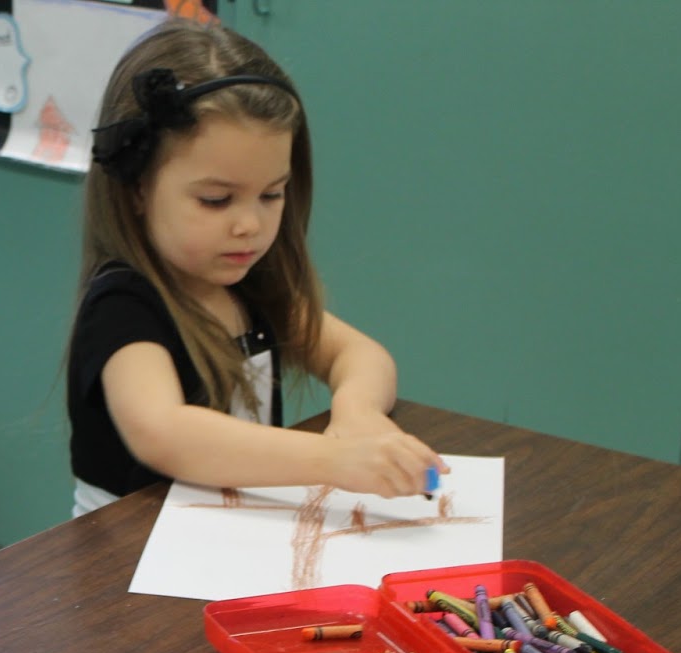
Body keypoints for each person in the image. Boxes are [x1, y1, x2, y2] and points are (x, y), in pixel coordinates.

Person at [66, 20, 444, 517]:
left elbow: (359, 354)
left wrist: (357, 413)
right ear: (137, 189)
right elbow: (164, 433)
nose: (250, 224)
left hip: (230, 544)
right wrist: (335, 458)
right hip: (123, 569)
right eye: (216, 199)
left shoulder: (249, 287)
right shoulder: (122, 306)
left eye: (271, 194)